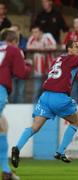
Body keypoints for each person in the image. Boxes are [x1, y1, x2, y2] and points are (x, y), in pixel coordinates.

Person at [11, 35, 78, 168]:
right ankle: (60, 152)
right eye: (76, 47)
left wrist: (74, 73)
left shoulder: (58, 59)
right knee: (75, 121)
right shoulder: (72, 58)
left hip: (45, 97)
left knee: (35, 127)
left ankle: (17, 147)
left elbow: (61, 73)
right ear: (69, 49)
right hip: (59, 98)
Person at [0, 30, 32, 179]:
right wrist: (28, 65)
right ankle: (6, 171)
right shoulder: (13, 49)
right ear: (14, 41)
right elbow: (21, 73)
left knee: (3, 127)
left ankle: (6, 171)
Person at [27, 25, 57, 102]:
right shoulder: (32, 38)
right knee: (37, 90)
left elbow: (54, 46)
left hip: (50, 69)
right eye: (33, 32)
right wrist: (39, 48)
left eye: (36, 32)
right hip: (38, 69)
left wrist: (44, 48)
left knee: (50, 90)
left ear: (41, 32)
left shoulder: (47, 36)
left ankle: (49, 109)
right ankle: (35, 110)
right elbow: (28, 47)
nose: (34, 34)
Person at [9, 24, 28, 103]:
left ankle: (20, 113)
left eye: (15, 30)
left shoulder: (23, 42)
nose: (14, 32)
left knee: (20, 93)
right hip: (11, 73)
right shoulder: (5, 44)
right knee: (12, 93)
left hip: (21, 74)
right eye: (12, 31)